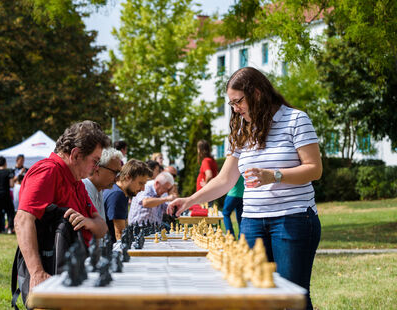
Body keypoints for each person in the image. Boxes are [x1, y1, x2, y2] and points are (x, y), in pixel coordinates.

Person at [167, 67, 322, 310]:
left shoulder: (296, 119)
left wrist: (274, 176)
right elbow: (225, 180)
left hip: (293, 218)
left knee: (293, 299)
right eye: (232, 104)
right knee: (255, 297)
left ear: (257, 94)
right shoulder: (240, 130)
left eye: (239, 101)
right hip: (251, 222)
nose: (236, 108)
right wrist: (189, 200)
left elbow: (314, 169)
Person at [14, 120, 110, 291]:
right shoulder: (48, 171)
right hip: (53, 275)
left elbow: (102, 228)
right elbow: (22, 220)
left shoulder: (77, 181)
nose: (96, 168)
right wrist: (37, 273)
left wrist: (87, 222)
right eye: (94, 161)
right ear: (75, 155)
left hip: (74, 271)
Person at [103, 159, 152, 242]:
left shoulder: (117, 191)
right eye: (140, 183)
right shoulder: (118, 195)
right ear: (128, 177)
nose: (143, 189)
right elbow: (120, 234)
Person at [82, 148, 123, 220]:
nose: (117, 178)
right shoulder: (84, 190)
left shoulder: (98, 189)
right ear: (97, 168)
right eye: (115, 172)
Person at [0, 156, 15, 234]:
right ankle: (10, 228)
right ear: (5, 163)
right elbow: (12, 185)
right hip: (5, 195)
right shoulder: (8, 172)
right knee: (10, 212)